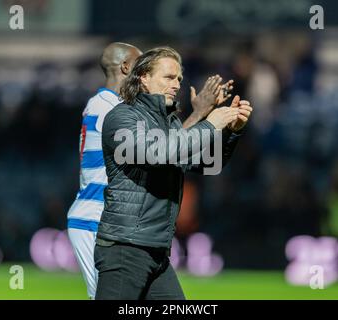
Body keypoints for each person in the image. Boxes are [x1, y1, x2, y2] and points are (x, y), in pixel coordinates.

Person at [67, 43, 234, 299]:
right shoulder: (113, 110)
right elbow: (159, 152)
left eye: (178, 77)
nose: (176, 83)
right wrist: (205, 119)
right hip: (106, 220)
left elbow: (183, 153)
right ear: (133, 71)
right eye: (168, 76)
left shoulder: (121, 109)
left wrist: (229, 130)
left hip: (142, 234)